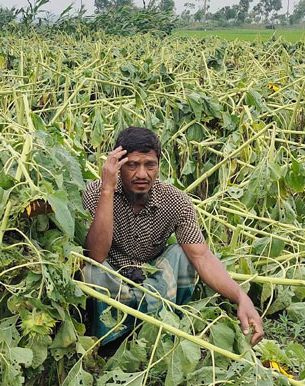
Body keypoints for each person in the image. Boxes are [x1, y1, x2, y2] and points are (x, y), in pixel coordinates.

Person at [82, 127, 264, 347]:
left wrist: (241, 298)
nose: (142, 174)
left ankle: (162, 326)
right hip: (113, 281)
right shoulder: (96, 192)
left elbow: (202, 258)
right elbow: (95, 254)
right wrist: (108, 190)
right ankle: (109, 339)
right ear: (117, 165)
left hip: (152, 283)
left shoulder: (176, 202)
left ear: (158, 165)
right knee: (92, 269)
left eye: (150, 165)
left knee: (183, 254)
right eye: (132, 165)